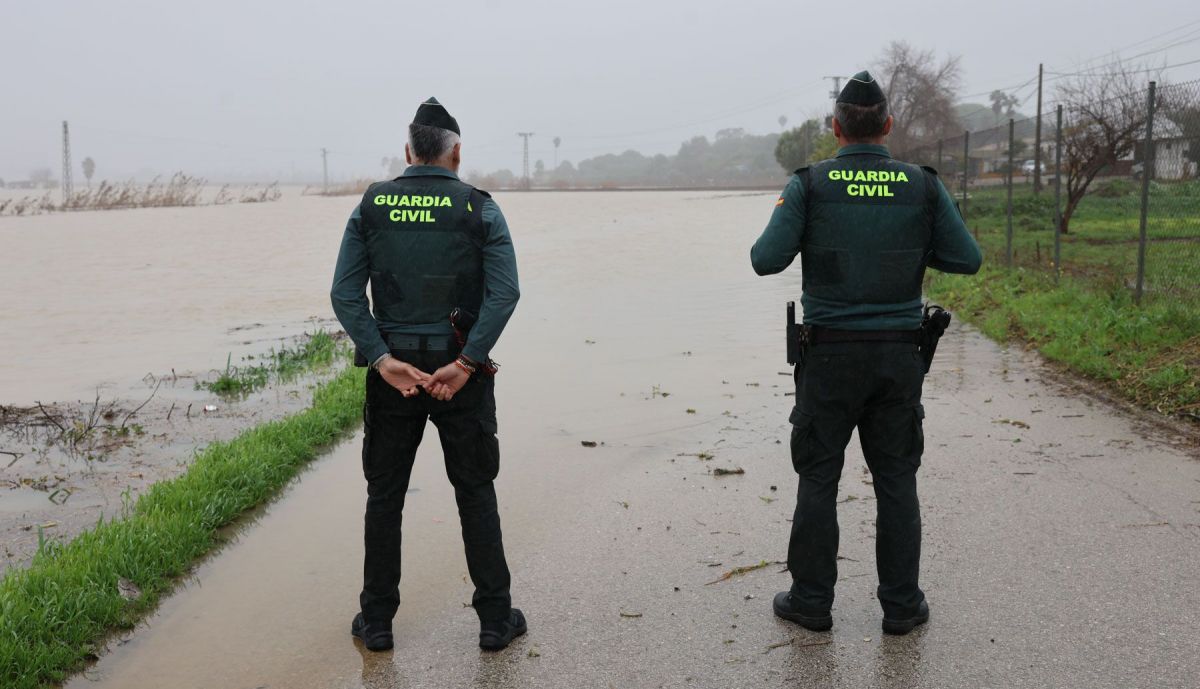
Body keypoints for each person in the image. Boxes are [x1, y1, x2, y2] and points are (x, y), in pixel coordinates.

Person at [750, 71, 982, 635]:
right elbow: (967, 258)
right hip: (899, 358)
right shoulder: (922, 186)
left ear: (835, 128)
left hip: (828, 359)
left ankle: (811, 602)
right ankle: (901, 608)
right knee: (897, 480)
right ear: (888, 126)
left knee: (819, 478)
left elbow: (765, 259)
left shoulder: (809, 184)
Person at [330, 97, 525, 652]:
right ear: (456, 153)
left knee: (384, 495)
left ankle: (377, 623)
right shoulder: (479, 208)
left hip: (394, 378)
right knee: (475, 492)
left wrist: (382, 359)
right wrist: (465, 365)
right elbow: (506, 293)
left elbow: (345, 293)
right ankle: (494, 620)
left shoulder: (371, 206)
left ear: (408, 151)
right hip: (459, 377)